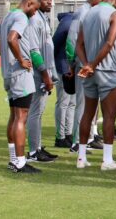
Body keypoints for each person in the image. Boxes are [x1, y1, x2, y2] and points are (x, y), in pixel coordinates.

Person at [75, 0, 116, 171]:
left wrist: (86, 64)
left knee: (87, 114)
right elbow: (109, 42)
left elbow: (78, 44)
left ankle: (81, 158)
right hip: (106, 70)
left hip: (89, 71)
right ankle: (107, 160)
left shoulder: (89, 12)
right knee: (109, 116)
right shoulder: (115, 14)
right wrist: (93, 64)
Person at [0, 0, 41, 173]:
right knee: (22, 117)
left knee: (14, 116)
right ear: (29, 3)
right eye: (35, 8)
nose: (35, 13)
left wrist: (7, 57)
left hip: (8, 74)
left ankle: (14, 159)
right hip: (20, 74)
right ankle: (20, 162)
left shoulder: (9, 16)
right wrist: (20, 59)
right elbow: (12, 38)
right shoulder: (20, 17)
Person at [67, 0, 105, 152]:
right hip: (83, 65)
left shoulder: (92, 12)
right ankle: (76, 142)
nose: (104, 2)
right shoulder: (83, 13)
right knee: (82, 104)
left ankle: (87, 138)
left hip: (90, 65)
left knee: (91, 104)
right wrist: (71, 62)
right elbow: (72, 39)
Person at [27, 0, 58, 163]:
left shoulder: (42, 18)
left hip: (45, 73)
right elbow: (34, 50)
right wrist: (45, 75)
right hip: (39, 74)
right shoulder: (34, 20)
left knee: (39, 113)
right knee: (35, 112)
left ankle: (38, 147)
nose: (50, 2)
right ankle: (33, 152)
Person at [53, 10, 75, 148]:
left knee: (71, 103)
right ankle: (60, 137)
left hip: (73, 67)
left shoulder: (72, 21)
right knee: (63, 102)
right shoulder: (68, 22)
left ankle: (68, 134)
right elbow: (55, 44)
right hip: (65, 68)